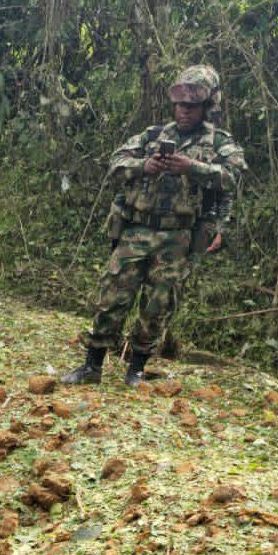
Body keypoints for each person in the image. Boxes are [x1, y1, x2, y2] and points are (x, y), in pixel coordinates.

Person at [61, 65, 246, 387]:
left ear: (206, 107)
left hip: (179, 237)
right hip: (137, 229)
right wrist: (143, 165)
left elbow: (233, 177)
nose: (183, 111)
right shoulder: (151, 135)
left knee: (158, 305)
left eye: (191, 106)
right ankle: (92, 366)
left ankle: (136, 370)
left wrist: (193, 168)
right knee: (112, 297)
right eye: (179, 105)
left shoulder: (220, 143)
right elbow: (115, 164)